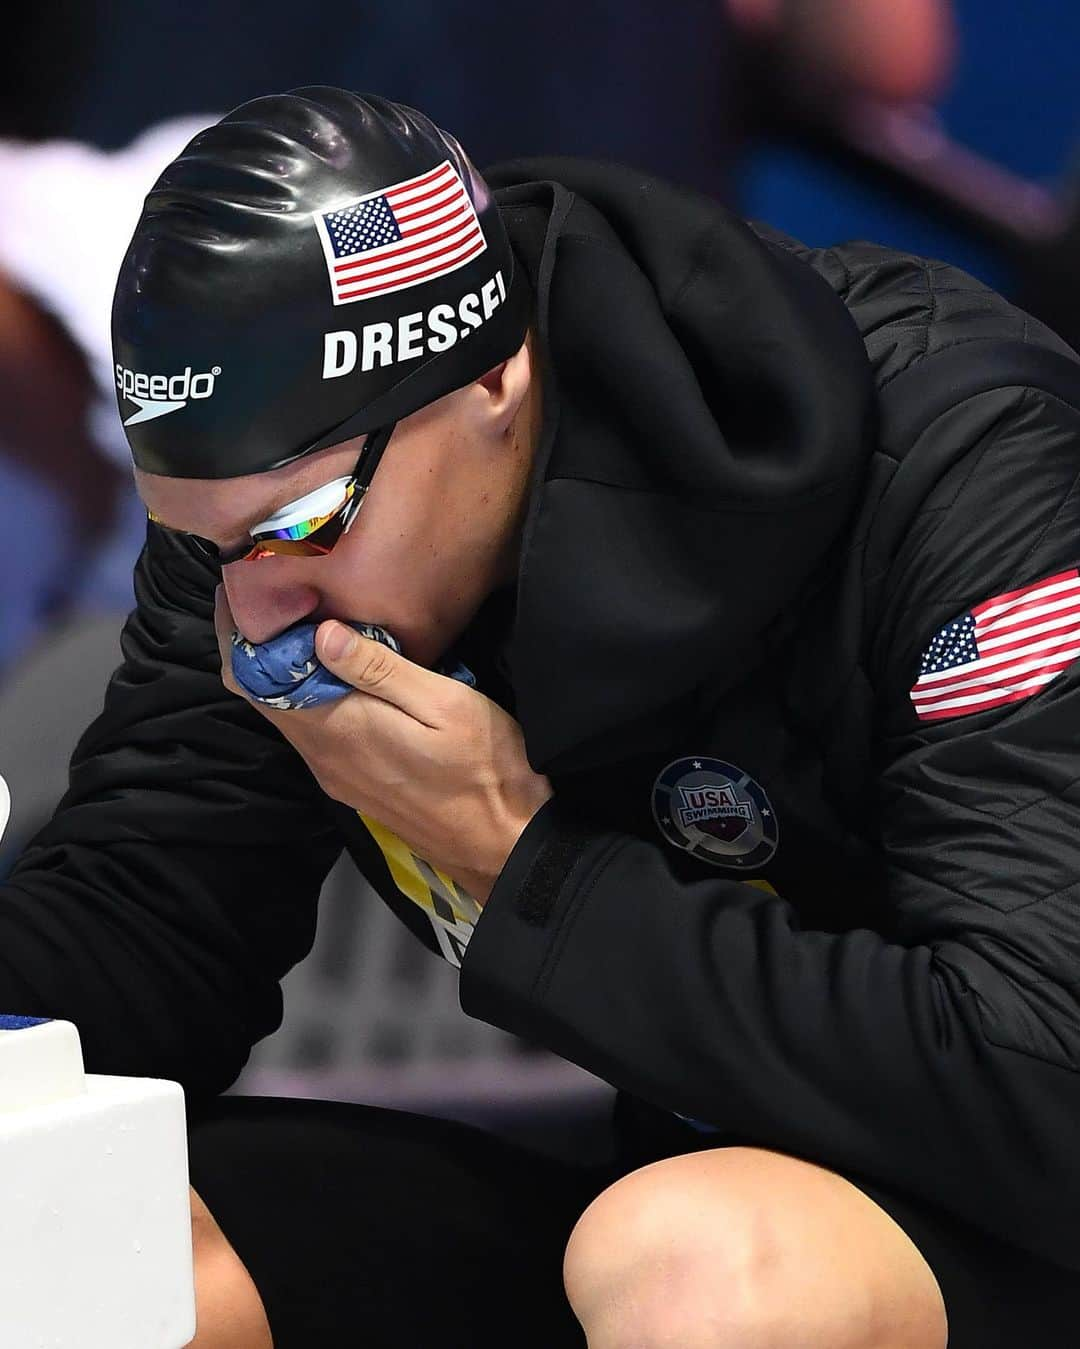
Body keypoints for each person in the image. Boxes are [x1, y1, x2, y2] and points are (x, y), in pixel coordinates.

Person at [5, 86, 1080, 1349]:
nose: (257, 611)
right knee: (73, 1238)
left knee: (702, 1269)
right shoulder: (273, 517)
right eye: (204, 543)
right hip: (660, 1184)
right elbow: (147, 921)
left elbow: (1042, 1080)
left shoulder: (974, 471)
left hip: (1010, 1211)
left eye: (298, 529)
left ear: (498, 378)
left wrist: (523, 859)